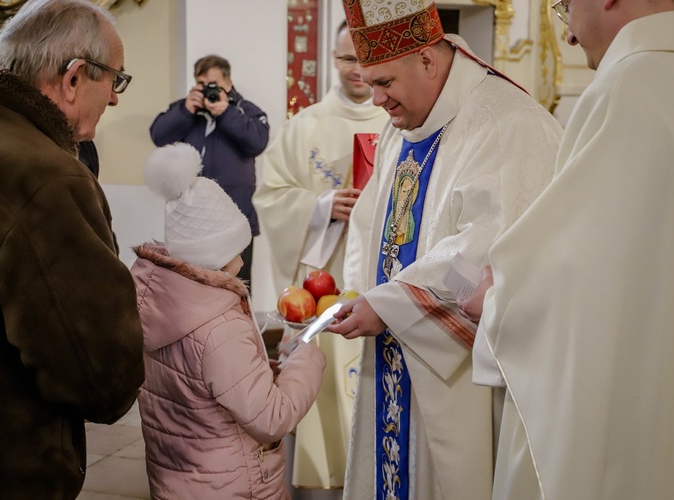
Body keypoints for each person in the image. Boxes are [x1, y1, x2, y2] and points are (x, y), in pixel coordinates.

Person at [324, 1, 563, 499]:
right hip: (396, 351)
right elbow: (374, 222)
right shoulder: (407, 119)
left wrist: (388, 305)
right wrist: (363, 294)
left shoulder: (507, 123)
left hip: (458, 377)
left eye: (385, 83)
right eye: (371, 83)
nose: (378, 101)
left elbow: (490, 253)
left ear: (428, 61)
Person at [0, 0, 144, 497]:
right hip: (0, 466)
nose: (113, 100)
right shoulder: (47, 178)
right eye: (115, 79)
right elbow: (101, 380)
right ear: (72, 79)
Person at [461, 1, 674, 498]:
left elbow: (577, 282)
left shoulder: (630, 85)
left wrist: (497, 298)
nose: (571, 36)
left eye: (566, 6)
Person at [131, 142, 326, 499]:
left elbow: (199, 381)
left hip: (179, 480)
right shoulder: (220, 326)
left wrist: (266, 368)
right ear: (221, 252)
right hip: (236, 484)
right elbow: (271, 419)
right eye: (239, 243)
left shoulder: (160, 301)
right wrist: (306, 360)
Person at [252, 21, 388, 493]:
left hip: (381, 276)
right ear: (332, 59)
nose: (356, 69)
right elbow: (269, 196)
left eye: (364, 56)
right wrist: (323, 207)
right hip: (323, 282)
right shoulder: (304, 125)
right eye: (346, 58)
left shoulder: (399, 117)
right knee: (325, 383)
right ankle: (324, 481)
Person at [149, 54, 269, 286]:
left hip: (237, 220)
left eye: (213, 85)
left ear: (228, 83)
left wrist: (226, 112)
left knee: (238, 288)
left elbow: (258, 141)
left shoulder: (245, 110)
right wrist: (185, 110)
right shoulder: (187, 110)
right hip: (193, 222)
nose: (207, 91)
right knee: (193, 289)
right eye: (201, 84)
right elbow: (158, 135)